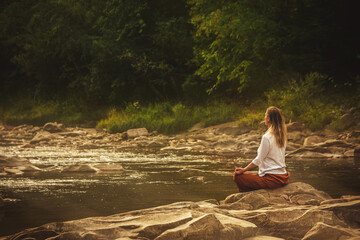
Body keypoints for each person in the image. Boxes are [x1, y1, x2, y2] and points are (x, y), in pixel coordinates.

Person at [233, 106, 290, 192]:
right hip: (283, 177)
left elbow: (259, 159)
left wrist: (244, 169)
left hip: (272, 179)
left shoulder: (267, 137)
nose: (264, 117)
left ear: (268, 119)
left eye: (265, 115)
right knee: (250, 177)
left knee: (238, 177)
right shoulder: (282, 136)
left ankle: (247, 194)